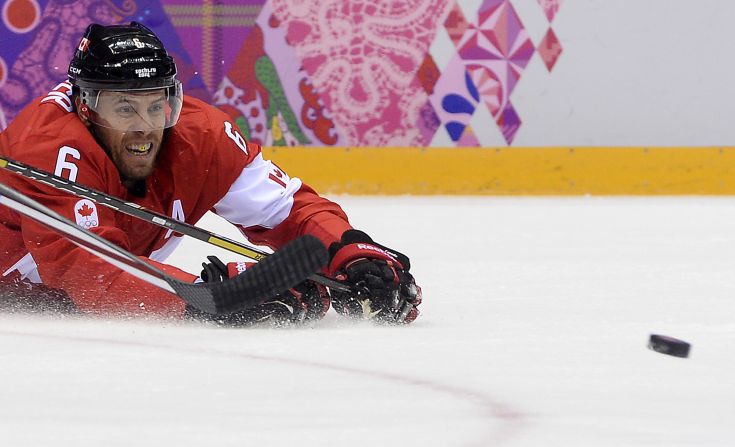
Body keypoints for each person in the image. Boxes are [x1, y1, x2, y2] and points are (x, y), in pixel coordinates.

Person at [0, 22, 421, 325]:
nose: (145, 124)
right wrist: (210, 294)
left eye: (155, 104)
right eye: (124, 108)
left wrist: (350, 251)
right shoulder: (51, 148)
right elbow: (92, 270)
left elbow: (285, 209)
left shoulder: (202, 135)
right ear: (86, 107)